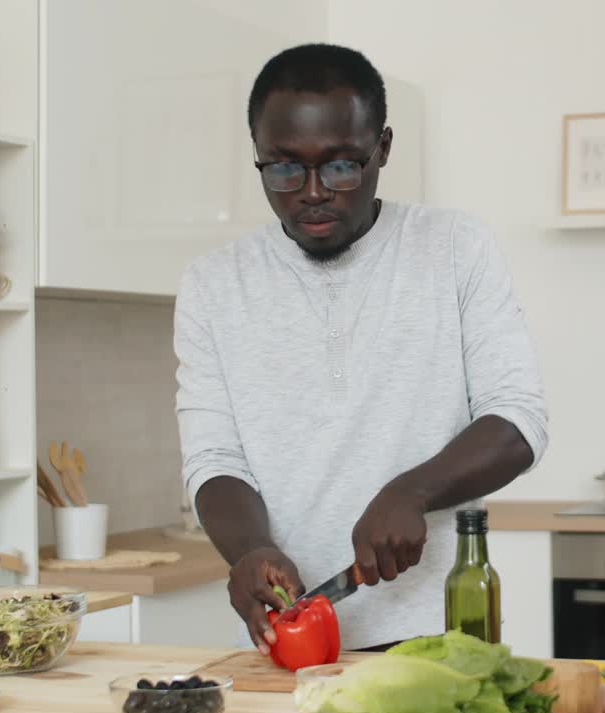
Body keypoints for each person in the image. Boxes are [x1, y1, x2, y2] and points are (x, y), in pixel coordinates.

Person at [173, 43, 548, 654]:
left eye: (342, 166)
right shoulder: (214, 284)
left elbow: (518, 422)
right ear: (259, 158)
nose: (313, 192)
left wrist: (413, 491)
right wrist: (248, 552)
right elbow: (214, 459)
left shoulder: (456, 248)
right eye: (285, 168)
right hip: (292, 645)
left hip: (443, 640)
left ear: (383, 149)